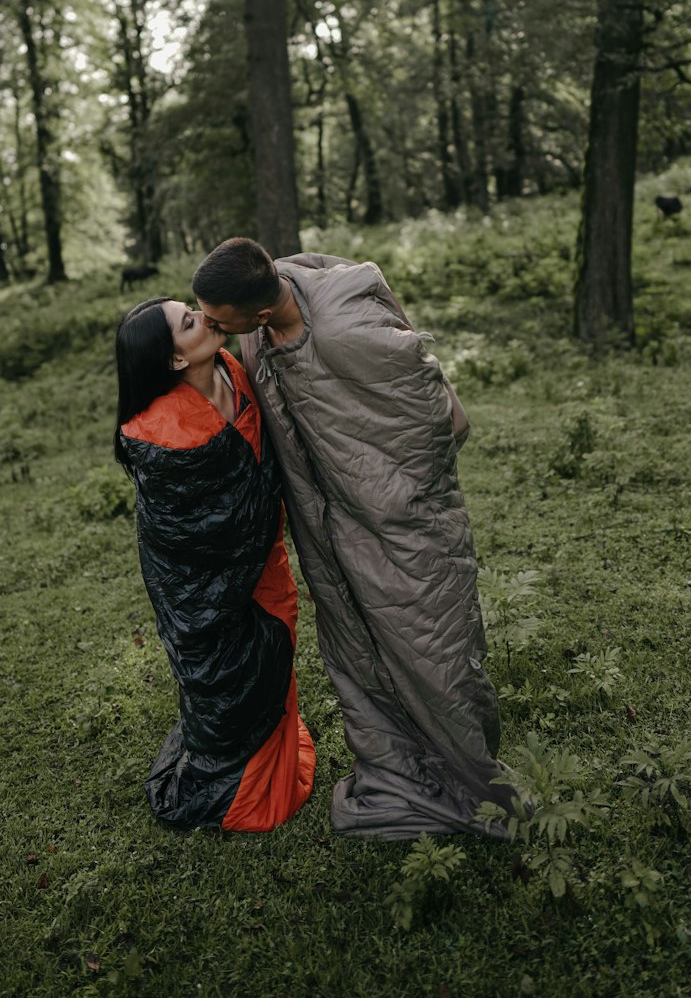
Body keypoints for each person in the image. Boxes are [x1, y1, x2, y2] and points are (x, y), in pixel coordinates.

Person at [193, 240, 519, 840]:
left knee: (430, 647)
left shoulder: (347, 333)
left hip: (398, 524)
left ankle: (474, 784)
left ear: (259, 315)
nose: (210, 327)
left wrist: (382, 504)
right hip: (328, 525)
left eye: (217, 320)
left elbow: (437, 422)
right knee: (357, 648)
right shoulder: (265, 316)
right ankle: (395, 770)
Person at [114, 296, 315, 832]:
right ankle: (239, 791)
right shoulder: (162, 435)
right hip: (201, 587)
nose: (204, 317)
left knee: (272, 652)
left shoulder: (231, 366)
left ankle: (272, 764)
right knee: (234, 673)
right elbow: (199, 529)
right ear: (176, 360)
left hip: (261, 566)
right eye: (189, 322)